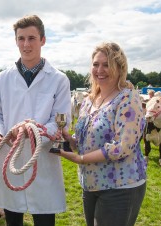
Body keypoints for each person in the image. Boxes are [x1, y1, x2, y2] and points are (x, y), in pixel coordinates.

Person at [0, 15, 71, 226]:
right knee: (12, 219)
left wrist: (32, 130)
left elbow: (60, 120)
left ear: (43, 40)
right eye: (21, 38)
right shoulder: (2, 78)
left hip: (41, 160)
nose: (26, 44)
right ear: (15, 40)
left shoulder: (59, 79)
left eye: (32, 38)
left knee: (44, 220)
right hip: (9, 155)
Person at [59, 42, 147, 226]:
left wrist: (80, 159)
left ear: (120, 68)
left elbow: (122, 146)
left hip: (120, 186)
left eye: (106, 65)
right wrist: (70, 139)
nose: (100, 70)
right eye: (96, 64)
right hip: (90, 184)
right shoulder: (90, 100)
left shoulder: (128, 98)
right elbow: (85, 139)